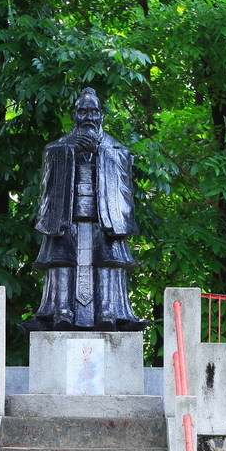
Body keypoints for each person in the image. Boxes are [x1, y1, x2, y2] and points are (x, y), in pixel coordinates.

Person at [23, 88, 149, 332]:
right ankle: (61, 311)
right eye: (83, 111)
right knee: (60, 260)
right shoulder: (58, 148)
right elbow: (49, 186)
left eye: (93, 111)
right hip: (66, 216)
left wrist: (98, 152)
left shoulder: (117, 149)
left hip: (105, 218)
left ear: (101, 115)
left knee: (110, 260)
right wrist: (72, 152)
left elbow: (123, 186)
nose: (88, 116)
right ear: (75, 115)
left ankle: (108, 312)